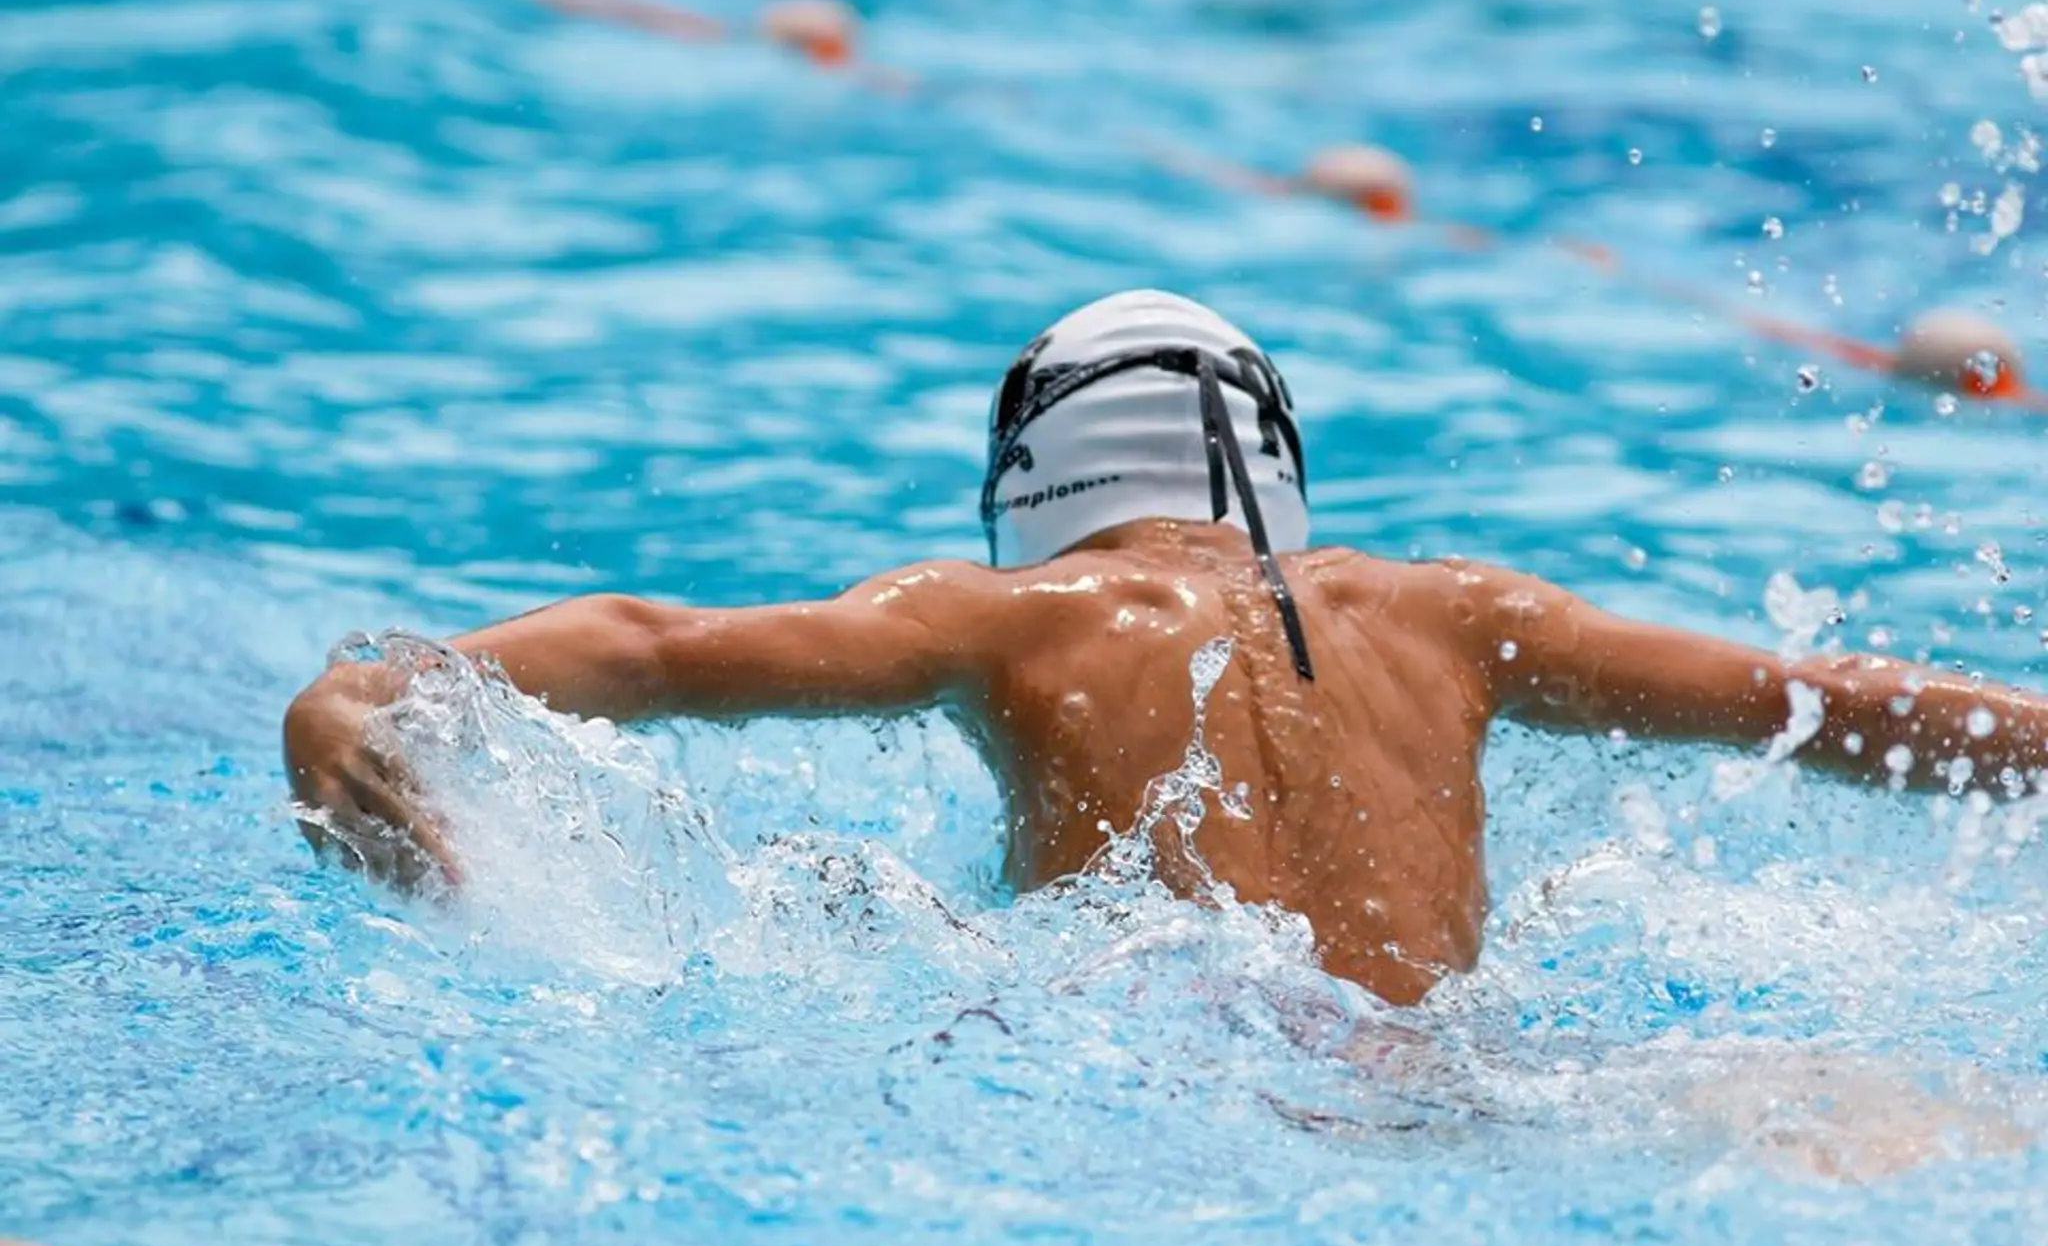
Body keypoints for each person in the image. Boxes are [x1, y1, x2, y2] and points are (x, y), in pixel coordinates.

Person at [282, 289, 2048, 1007]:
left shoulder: (1012, 615)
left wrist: (363, 687)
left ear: (1027, 480)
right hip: (1477, 1093)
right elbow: (1850, 710)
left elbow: (657, 646)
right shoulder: (1461, 616)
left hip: (1189, 1103)